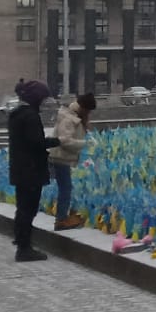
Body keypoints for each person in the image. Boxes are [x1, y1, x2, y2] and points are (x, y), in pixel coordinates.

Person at [6, 80, 56, 262]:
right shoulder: (30, 117)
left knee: (22, 209)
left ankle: (22, 243)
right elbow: (36, 143)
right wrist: (56, 141)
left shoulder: (16, 115)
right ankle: (24, 248)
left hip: (20, 170)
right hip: (31, 171)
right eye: (42, 99)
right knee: (28, 209)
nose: (43, 103)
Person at [50, 90, 95, 230]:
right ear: (83, 108)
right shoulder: (69, 119)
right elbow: (65, 141)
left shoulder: (73, 116)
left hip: (63, 158)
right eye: (88, 111)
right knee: (65, 188)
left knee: (66, 188)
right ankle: (61, 219)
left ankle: (64, 216)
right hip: (59, 158)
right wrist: (84, 144)